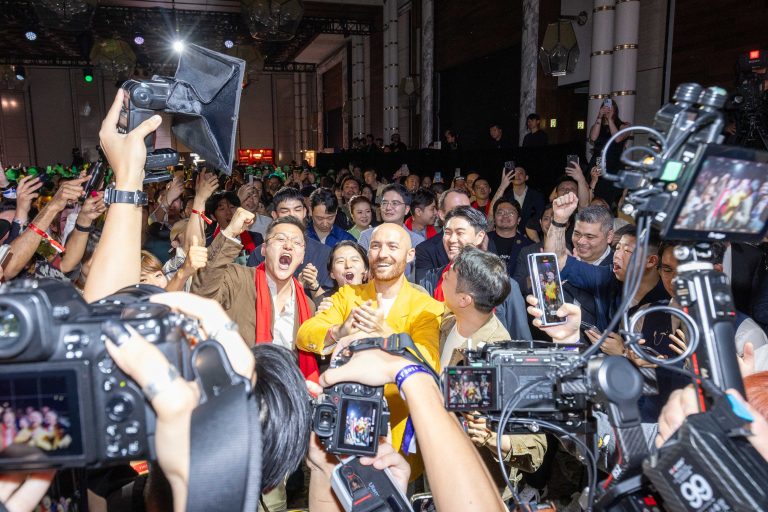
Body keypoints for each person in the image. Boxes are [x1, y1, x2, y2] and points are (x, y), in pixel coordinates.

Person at [296, 223, 444, 475]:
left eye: (392, 246)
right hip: (344, 422)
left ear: (410, 255)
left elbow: (429, 363)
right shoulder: (348, 296)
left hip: (395, 427)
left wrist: (385, 333)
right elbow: (305, 335)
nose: (383, 254)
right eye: (376, 246)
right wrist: (338, 331)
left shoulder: (426, 307)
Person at [437, 245, 548, 498]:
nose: (443, 275)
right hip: (441, 470)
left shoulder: (503, 361)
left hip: (479, 488)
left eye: (450, 274)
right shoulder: (448, 324)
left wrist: (490, 437)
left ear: (465, 300)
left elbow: (535, 448)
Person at [546, 193, 668, 334]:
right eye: (618, 248)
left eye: (627, 251)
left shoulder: (669, 295)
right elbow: (556, 261)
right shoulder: (608, 276)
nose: (617, 255)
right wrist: (559, 219)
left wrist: (622, 346)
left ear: (651, 261)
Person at [420, 206, 531, 339]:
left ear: (479, 237)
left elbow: (520, 339)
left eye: (460, 233)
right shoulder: (431, 281)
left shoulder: (504, 285)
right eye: (447, 232)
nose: (452, 239)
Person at [247, 187, 334, 295]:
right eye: (285, 211)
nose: (292, 215)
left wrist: (314, 286)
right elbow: (250, 292)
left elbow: (330, 298)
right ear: (274, 215)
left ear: (305, 212)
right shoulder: (260, 253)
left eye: (297, 210)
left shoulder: (324, 253)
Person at [357, 184, 425, 279]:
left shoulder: (417, 241)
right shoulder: (367, 236)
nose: (388, 207)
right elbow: (360, 270)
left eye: (395, 203)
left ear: (406, 209)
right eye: (384, 203)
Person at [414, 188, 471, 281]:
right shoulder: (425, 250)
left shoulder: (483, 243)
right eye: (456, 210)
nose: (464, 215)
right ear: (442, 215)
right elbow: (425, 285)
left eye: (468, 210)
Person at [487, 198, 532, 276]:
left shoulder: (528, 246)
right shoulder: (482, 240)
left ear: (518, 220)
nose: (505, 216)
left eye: (511, 213)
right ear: (494, 218)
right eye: (500, 212)